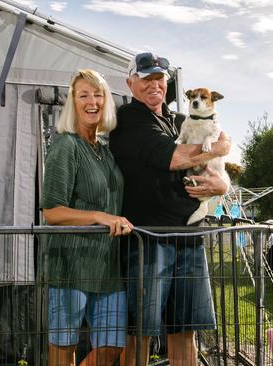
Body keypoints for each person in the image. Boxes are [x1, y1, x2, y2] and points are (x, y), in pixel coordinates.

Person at [109, 52, 231, 366]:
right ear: (130, 83)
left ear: (168, 82)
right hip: (148, 240)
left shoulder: (180, 120)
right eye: (145, 78)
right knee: (140, 333)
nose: (154, 85)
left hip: (189, 237)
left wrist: (222, 186)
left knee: (186, 330)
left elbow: (221, 139)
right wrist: (218, 148)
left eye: (159, 78)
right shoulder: (129, 119)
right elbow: (174, 157)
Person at [41, 69, 134, 366]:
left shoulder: (105, 150)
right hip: (71, 264)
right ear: (73, 102)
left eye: (98, 95)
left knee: (111, 348)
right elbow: (52, 212)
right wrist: (98, 216)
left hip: (108, 267)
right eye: (84, 95)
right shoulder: (65, 145)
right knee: (62, 347)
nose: (92, 101)